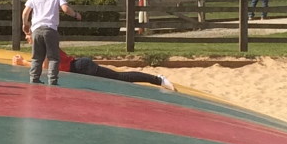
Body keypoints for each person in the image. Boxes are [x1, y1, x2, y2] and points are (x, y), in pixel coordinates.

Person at [22, 0, 83, 85]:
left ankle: (34, 78)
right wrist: (75, 14)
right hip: (50, 30)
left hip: (36, 30)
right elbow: (65, 9)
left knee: (37, 57)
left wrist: (25, 24)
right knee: (53, 57)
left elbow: (25, 12)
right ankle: (52, 80)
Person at [11, 51, 174, 91]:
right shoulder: (41, 44)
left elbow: (45, 66)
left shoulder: (45, 43)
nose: (26, 37)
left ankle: (157, 79)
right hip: (79, 70)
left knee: (121, 77)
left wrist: (24, 62)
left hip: (82, 68)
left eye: (28, 34)